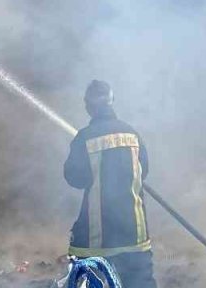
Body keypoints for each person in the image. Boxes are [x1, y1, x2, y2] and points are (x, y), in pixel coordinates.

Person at [64, 80, 157, 288]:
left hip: (97, 242)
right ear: (112, 101)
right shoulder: (132, 135)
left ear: (88, 106)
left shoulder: (84, 138)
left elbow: (74, 178)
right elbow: (145, 172)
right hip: (135, 237)